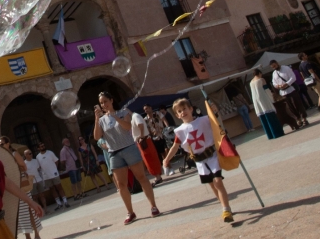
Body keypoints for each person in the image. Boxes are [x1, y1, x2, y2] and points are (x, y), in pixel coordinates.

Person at [162, 98, 234, 223]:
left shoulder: (204, 120)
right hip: (200, 161)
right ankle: (224, 206)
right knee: (212, 185)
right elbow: (175, 146)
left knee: (217, 182)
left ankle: (226, 209)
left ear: (191, 109)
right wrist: (166, 159)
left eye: (184, 109)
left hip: (212, 156)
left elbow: (218, 125)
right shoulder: (179, 131)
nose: (183, 112)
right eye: (179, 111)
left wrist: (215, 111)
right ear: (177, 115)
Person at [93, 91, 160, 225]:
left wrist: (115, 116)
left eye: (105, 101)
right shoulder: (101, 120)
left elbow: (128, 127)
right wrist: (96, 119)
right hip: (114, 153)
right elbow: (97, 137)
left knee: (141, 177)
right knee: (121, 185)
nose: (104, 104)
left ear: (111, 100)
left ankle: (153, 206)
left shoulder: (124, 112)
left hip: (129, 147)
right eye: (101, 103)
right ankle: (130, 212)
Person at [0, 137, 42, 239]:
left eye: (2, 144)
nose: (0, 146)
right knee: (21, 213)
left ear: (8, 144)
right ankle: (27, 236)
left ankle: (36, 234)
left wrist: (13, 167)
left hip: (20, 183)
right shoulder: (1, 156)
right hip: (12, 184)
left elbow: (24, 167)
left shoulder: (14, 154)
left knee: (29, 209)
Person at [270, 60, 309, 128]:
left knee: (297, 104)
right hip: (283, 92)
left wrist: (287, 83)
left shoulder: (286, 68)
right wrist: (278, 86)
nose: (274, 67)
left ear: (277, 63)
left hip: (291, 89)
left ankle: (304, 119)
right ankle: (298, 119)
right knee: (290, 107)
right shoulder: (274, 73)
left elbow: (293, 77)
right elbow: (274, 83)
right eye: (273, 67)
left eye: (275, 66)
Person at [249, 69, 285, 139]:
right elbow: (267, 90)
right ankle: (277, 133)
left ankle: (270, 135)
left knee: (264, 119)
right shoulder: (261, 79)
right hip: (264, 99)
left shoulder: (251, 82)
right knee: (271, 116)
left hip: (257, 102)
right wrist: (272, 98)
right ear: (259, 73)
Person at [131, 111, 163, 186]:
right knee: (150, 158)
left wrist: (141, 136)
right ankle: (157, 175)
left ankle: (157, 176)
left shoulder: (135, 116)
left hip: (144, 140)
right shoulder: (135, 116)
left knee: (149, 158)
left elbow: (140, 125)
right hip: (144, 139)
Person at [36, 142, 70, 210]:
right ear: (38, 148)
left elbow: (56, 161)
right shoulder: (38, 156)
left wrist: (54, 169)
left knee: (59, 187)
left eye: (43, 145)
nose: (43, 147)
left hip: (54, 173)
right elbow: (39, 166)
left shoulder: (50, 153)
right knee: (52, 189)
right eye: (41, 146)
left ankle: (65, 201)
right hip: (46, 176)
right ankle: (58, 203)